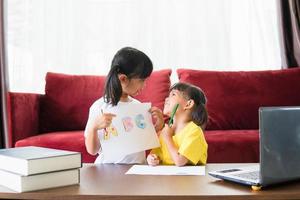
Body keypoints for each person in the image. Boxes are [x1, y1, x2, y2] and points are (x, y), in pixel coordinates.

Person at [84, 47, 164, 164]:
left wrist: (157, 127)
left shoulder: (137, 106)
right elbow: (92, 150)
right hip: (108, 171)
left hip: (137, 170)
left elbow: (140, 140)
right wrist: (93, 128)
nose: (144, 85)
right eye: (142, 80)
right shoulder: (99, 107)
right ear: (123, 79)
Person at [147, 82, 208, 166]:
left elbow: (180, 161)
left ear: (188, 104)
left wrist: (167, 137)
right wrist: (152, 158)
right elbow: (155, 154)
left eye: (173, 95)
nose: (166, 99)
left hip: (189, 178)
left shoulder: (194, 131)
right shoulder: (166, 131)